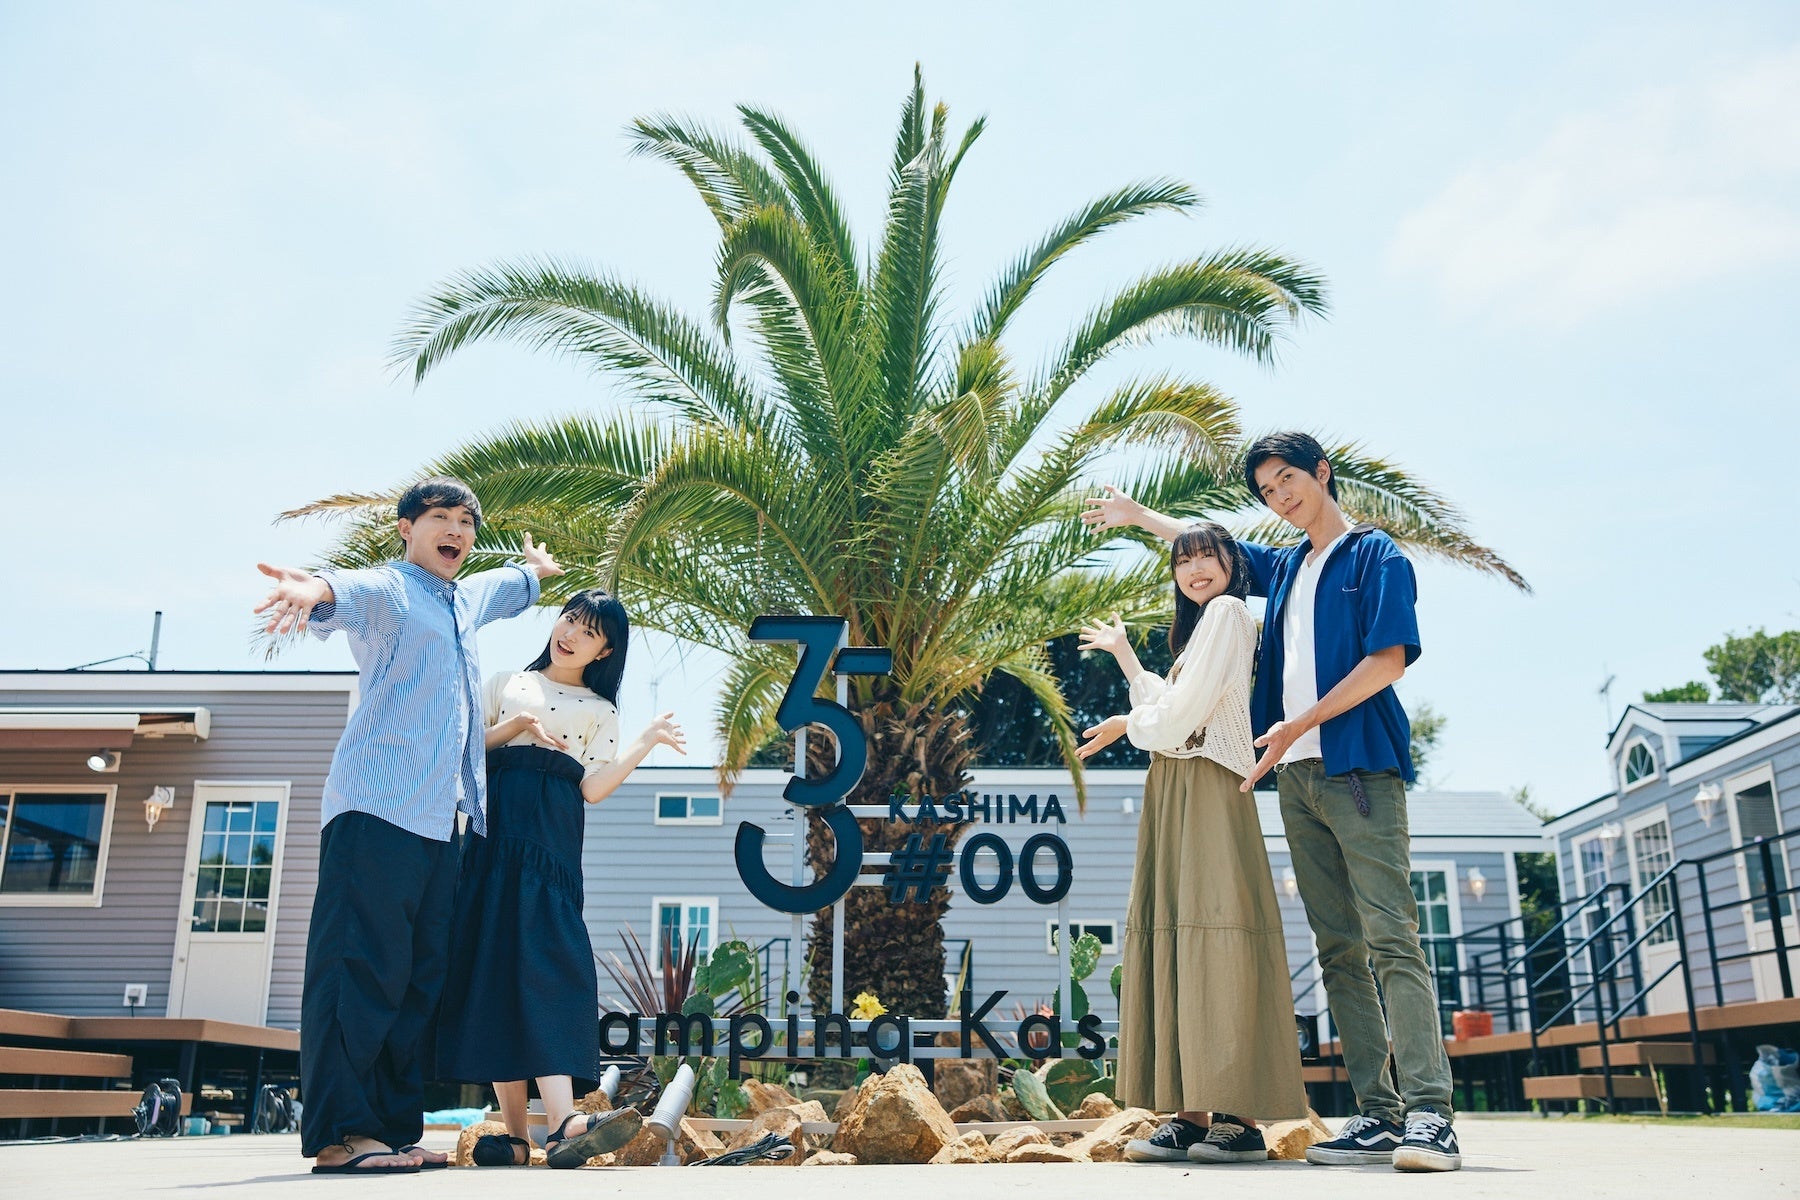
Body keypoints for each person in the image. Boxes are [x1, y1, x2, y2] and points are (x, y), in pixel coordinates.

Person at [1082, 431, 1462, 1173]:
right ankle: (1379, 1117)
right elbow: (1213, 555)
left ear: (1323, 475)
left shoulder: (1376, 557)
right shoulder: (1288, 568)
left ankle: (1430, 1116)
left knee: (1390, 938)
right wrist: (1138, 517)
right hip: (1295, 780)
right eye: (1267, 491)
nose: (1280, 497)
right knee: (1339, 950)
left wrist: (1301, 723)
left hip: (1358, 768)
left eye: (1289, 480)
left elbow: (1387, 663)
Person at [255, 476, 560, 1175]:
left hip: (438, 819)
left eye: (466, 522)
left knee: (416, 981)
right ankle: (340, 1134)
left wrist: (534, 571)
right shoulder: (390, 590)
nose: (456, 531)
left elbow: (505, 586)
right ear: (406, 529)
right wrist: (313, 591)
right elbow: (344, 591)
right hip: (375, 809)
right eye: (440, 518)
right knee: (358, 972)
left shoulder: (461, 597)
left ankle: (390, 1130)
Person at [1077, 521, 1307, 1165]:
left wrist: (1131, 723)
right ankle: (1190, 1115)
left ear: (1232, 564)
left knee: (1216, 933)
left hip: (1206, 785)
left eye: (1208, 556)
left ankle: (1238, 1120)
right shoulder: (1202, 631)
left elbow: (1178, 717)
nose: (1196, 569)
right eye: (1185, 561)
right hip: (1174, 783)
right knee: (1182, 934)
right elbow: (1172, 703)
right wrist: (1126, 656)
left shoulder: (1231, 613)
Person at [435, 589, 686, 1168]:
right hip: (491, 840)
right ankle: (520, 1136)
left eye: (589, 630)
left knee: (552, 965)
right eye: (569, 618)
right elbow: (463, 751)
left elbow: (592, 789)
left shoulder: (602, 712)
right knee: (496, 969)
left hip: (552, 846)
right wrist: (515, 726)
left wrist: (644, 743)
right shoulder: (506, 681)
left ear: (604, 651)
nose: (570, 632)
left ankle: (565, 1120)